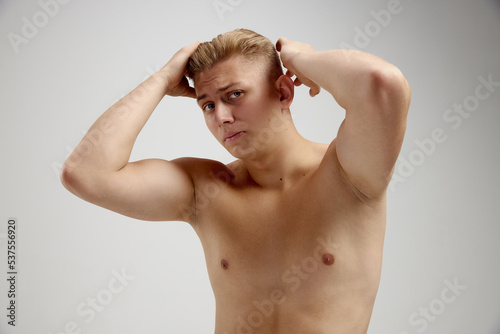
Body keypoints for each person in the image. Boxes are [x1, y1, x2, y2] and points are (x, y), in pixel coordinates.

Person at [61, 29, 410, 334]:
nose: (222, 118)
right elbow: (85, 174)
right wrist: (163, 79)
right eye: (208, 106)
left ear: (284, 93)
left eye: (234, 95)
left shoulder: (348, 173)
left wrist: (300, 57)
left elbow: (382, 84)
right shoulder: (205, 190)